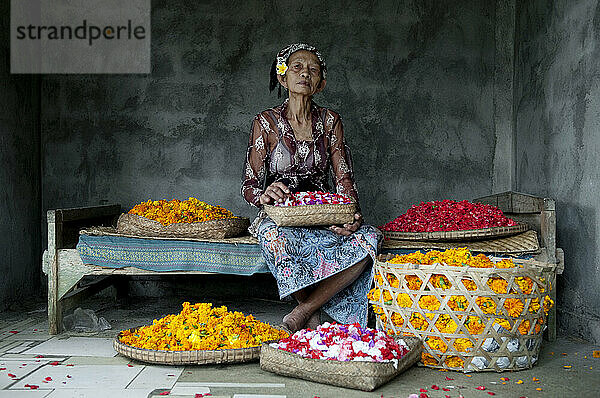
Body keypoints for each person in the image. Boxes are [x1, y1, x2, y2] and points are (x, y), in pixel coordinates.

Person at [241, 43, 381, 332]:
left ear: (321, 83)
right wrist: (264, 195)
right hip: (282, 216)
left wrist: (351, 214)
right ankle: (310, 310)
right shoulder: (265, 123)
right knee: (273, 238)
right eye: (297, 67)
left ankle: (305, 309)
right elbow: (249, 184)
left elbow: (344, 176)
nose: (305, 73)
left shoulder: (330, 121)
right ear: (282, 78)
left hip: (324, 214)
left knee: (370, 238)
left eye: (313, 70)